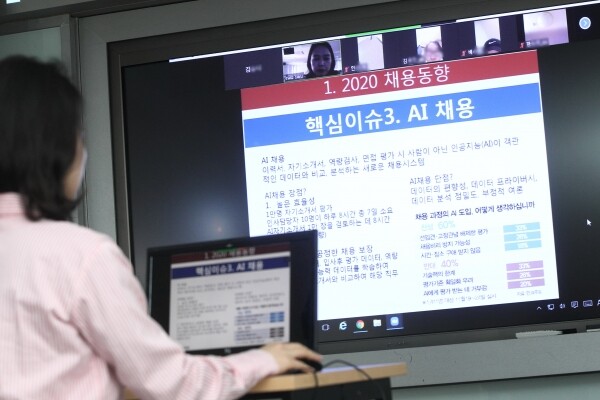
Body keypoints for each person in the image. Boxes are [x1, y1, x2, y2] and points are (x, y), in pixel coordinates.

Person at [0, 56, 321, 400]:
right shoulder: (83, 257)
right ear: (58, 149)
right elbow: (170, 383)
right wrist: (263, 359)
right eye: (78, 135)